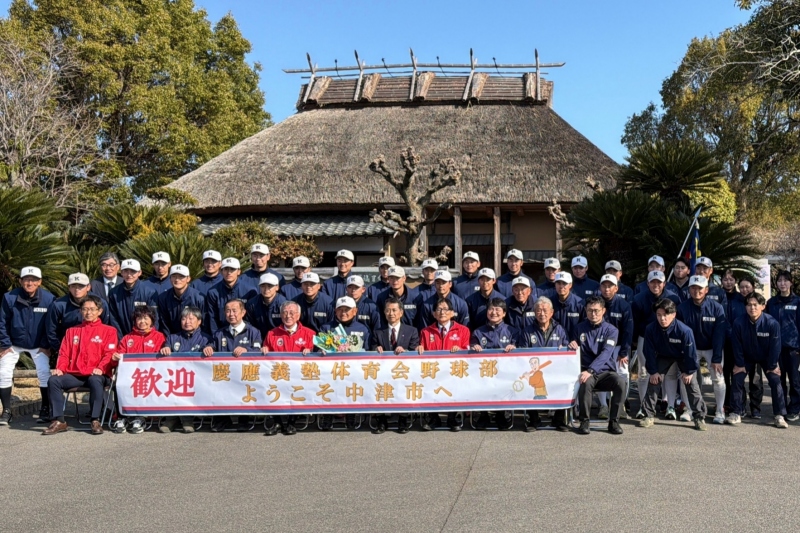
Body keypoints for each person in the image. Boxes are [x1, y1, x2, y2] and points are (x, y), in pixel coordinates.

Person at [42, 295, 117, 436]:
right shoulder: (72, 331)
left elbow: (110, 353)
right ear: (80, 311)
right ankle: (58, 420)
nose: (88, 312)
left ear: (100, 311)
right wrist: (60, 368)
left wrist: (100, 368)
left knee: (95, 380)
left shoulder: (109, 331)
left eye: (92, 309)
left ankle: (95, 419)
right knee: (54, 380)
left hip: (99, 374)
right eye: (85, 309)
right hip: (76, 374)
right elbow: (64, 353)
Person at [638, 298, 708, 431]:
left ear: (674, 314)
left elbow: (691, 354)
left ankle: (699, 417)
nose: (662, 318)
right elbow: (648, 352)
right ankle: (648, 415)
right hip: (663, 356)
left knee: (692, 384)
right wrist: (653, 371)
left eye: (666, 315)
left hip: (683, 356)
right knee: (654, 381)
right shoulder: (650, 329)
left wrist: (689, 371)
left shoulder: (684, 331)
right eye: (659, 315)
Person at [0, 266, 55, 426]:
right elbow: (2, 322)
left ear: (40, 282)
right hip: (13, 344)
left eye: (33, 280)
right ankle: (7, 411)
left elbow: (50, 325)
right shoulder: (9, 297)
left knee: (44, 373)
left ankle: (45, 408)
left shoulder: (49, 298)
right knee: (3, 372)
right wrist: (5, 344)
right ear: (20, 281)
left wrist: (46, 345)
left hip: (38, 345)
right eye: (26, 279)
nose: (29, 283)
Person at [727, 292, 788, 428]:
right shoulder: (739, 322)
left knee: (775, 380)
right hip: (746, 358)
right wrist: (740, 364)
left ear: (763, 306)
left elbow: (775, 347)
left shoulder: (772, 323)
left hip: (766, 358)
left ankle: (779, 415)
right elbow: (736, 346)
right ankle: (736, 412)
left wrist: (773, 365)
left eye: (755, 305)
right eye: (749, 305)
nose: (752, 308)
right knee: (737, 378)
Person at [202, 299, 263, 432]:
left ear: (243, 312)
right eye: (228, 311)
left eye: (234, 310)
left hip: (245, 375)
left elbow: (259, 350)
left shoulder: (253, 332)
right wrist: (208, 348)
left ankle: (244, 420)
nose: (231, 314)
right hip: (225, 375)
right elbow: (212, 345)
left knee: (245, 390)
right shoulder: (219, 333)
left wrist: (247, 350)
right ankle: (222, 420)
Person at [570, 296, 625, 435]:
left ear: (603, 311)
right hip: (586, 371)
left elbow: (606, 353)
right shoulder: (578, 328)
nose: (593, 314)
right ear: (585, 311)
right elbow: (572, 349)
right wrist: (571, 345)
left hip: (605, 371)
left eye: (596, 311)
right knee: (585, 382)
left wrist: (591, 370)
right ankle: (584, 421)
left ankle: (614, 422)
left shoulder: (612, 330)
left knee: (620, 382)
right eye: (590, 311)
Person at [676, 275, 728, 424]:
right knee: (686, 377)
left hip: (712, 349)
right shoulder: (682, 308)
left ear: (706, 290)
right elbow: (681, 335)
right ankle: (689, 410)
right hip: (692, 349)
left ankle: (719, 411)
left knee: (718, 379)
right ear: (689, 289)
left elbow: (719, 335)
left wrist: (717, 358)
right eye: (693, 287)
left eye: (700, 288)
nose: (696, 291)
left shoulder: (716, 308)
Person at [631, 270, 681, 419]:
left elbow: (678, 320)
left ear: (664, 283)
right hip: (645, 338)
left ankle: (670, 406)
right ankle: (643, 406)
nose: (655, 285)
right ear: (647, 283)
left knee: (671, 373)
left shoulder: (673, 298)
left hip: (668, 338)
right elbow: (635, 321)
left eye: (659, 282)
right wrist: (634, 341)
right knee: (644, 373)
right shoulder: (639, 299)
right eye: (652, 282)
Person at [318, 297, 371, 431]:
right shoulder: (326, 327)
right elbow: (318, 349)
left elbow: (368, 350)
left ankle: (351, 415)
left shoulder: (363, 328)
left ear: (355, 311)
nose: (343, 313)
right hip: (330, 371)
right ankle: (327, 416)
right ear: (335, 311)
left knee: (351, 389)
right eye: (340, 310)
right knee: (328, 388)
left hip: (354, 372)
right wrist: (321, 350)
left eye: (347, 310)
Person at [110, 307, 166, 434]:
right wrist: (115, 358)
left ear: (152, 320)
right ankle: (122, 417)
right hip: (130, 376)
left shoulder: (159, 337)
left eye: (146, 318)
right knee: (119, 385)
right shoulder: (127, 338)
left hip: (152, 376)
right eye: (139, 318)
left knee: (146, 384)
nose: (142, 321)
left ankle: (140, 417)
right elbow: (117, 358)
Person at [262, 300, 314, 436]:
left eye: (292, 313)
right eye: (285, 313)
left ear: (298, 316)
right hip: (278, 375)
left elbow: (317, 355)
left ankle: (292, 422)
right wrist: (264, 349)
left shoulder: (310, 334)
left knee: (297, 388)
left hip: (300, 376)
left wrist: (311, 352)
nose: (288, 316)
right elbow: (264, 356)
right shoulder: (272, 334)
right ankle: (277, 422)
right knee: (272, 388)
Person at [418, 297, 470, 431]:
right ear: (434, 314)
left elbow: (467, 351)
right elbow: (422, 351)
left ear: (452, 313)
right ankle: (434, 418)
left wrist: (460, 350)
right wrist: (419, 349)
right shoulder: (425, 332)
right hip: (433, 372)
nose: (442, 312)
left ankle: (453, 418)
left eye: (446, 309)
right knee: (429, 385)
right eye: (439, 309)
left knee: (455, 386)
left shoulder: (463, 330)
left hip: (454, 371)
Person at [370, 297, 420, 434]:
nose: (391, 313)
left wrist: (406, 352)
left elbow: (414, 349)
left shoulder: (412, 331)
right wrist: (376, 349)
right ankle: (381, 421)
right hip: (383, 372)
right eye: (388, 310)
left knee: (403, 390)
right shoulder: (378, 331)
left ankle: (403, 421)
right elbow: (372, 346)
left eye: (394, 310)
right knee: (379, 390)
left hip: (403, 372)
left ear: (401, 312)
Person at [519, 296, 570, 431]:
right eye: (539, 311)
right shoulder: (527, 331)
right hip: (535, 372)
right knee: (527, 384)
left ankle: (558, 420)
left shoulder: (560, 330)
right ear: (534, 313)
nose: (542, 314)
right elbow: (522, 354)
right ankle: (534, 420)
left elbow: (567, 349)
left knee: (565, 383)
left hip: (555, 371)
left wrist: (568, 347)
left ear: (552, 312)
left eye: (545, 310)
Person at [469, 298, 519, 430]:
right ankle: (483, 415)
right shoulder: (478, 332)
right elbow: (472, 344)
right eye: (491, 309)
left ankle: (502, 414)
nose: (494, 312)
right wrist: (474, 347)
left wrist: (514, 347)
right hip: (483, 372)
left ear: (504, 313)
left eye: (498, 310)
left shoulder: (512, 331)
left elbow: (519, 348)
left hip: (505, 372)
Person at [159, 306, 210, 433]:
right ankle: (172, 419)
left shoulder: (206, 338)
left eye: (191, 319)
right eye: (184, 318)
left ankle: (187, 419)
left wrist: (209, 349)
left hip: (196, 378)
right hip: (174, 377)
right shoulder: (172, 338)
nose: (187, 322)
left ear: (199, 321)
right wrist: (165, 349)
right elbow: (165, 349)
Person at [596, 274, 634, 420]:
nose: (607, 289)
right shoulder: (596, 304)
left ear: (616, 288)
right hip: (600, 347)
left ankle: (621, 405)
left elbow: (628, 330)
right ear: (600, 288)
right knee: (599, 374)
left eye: (610, 286)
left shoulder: (624, 305)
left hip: (618, 348)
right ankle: (603, 406)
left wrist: (624, 352)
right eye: (604, 286)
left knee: (622, 375)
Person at [765, 270, 800, 421]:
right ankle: (781, 408)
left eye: (785, 280)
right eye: (779, 281)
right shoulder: (772, 302)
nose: (782, 283)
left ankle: (795, 408)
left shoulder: (798, 302)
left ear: (791, 283)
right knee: (778, 380)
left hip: (793, 349)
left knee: (795, 380)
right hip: (775, 348)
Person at [204, 257, 257, 335]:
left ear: (239, 271)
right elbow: (212, 318)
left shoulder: (250, 290)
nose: (229, 272)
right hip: (221, 333)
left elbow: (252, 317)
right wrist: (215, 337)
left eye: (232, 269)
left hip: (245, 333)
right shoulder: (213, 292)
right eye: (226, 269)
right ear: (221, 271)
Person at [107, 259, 158, 338]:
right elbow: (114, 319)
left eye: (133, 271)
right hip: (124, 339)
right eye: (126, 271)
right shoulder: (114, 293)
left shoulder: (149, 292)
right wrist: (121, 339)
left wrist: (150, 338)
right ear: (121, 272)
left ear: (139, 273)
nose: (129, 275)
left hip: (145, 339)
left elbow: (155, 318)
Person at [157, 265, 205, 335]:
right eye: (174, 276)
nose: (177, 280)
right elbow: (164, 323)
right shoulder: (163, 298)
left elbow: (204, 323)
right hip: (172, 339)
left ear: (188, 279)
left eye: (181, 276)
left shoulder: (199, 298)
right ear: (170, 279)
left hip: (195, 339)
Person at [245, 273, 287, 339]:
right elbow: (249, 325)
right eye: (263, 286)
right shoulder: (252, 303)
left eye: (270, 286)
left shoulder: (283, 304)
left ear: (277, 287)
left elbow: (287, 326)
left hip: (279, 338)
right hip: (258, 338)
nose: (266, 289)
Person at [551, 272, 585, 343]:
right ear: (555, 285)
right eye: (558, 283)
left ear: (570, 285)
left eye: (564, 283)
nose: (561, 286)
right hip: (554, 345)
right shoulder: (550, 303)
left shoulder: (580, 304)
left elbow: (585, 326)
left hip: (575, 344)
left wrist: (576, 341)